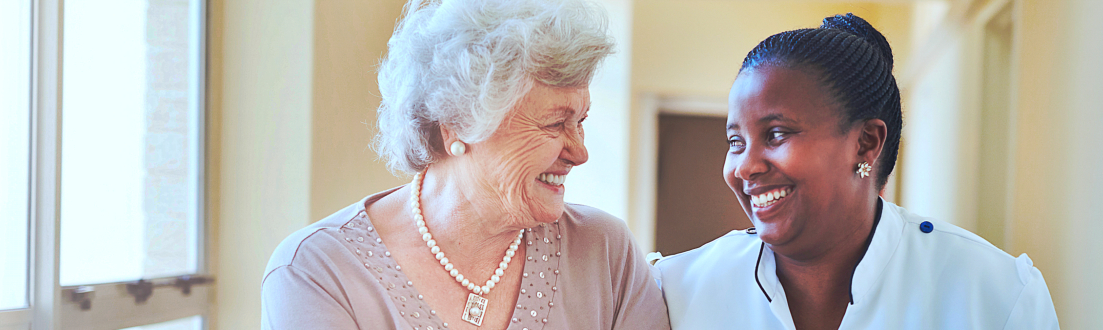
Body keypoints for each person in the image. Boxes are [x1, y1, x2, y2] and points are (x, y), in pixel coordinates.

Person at [260, 0, 668, 329]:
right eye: (554, 123)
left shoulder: (603, 252)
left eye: (580, 122)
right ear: (456, 125)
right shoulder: (318, 271)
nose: (579, 152)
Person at [654, 13, 1060, 330]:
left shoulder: (995, 294)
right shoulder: (676, 292)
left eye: (776, 134)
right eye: (736, 142)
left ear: (866, 142)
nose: (745, 166)